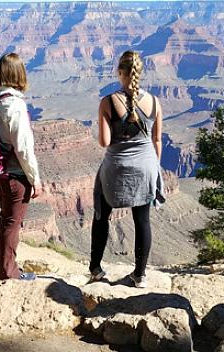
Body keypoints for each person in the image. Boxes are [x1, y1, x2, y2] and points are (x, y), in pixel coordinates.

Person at [89, 51, 163, 288]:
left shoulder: (108, 101)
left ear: (120, 73)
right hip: (147, 166)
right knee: (143, 219)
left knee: (102, 213)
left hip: (117, 168)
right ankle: (140, 276)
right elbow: (157, 139)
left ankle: (96, 269)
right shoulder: (154, 101)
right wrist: (154, 167)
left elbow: (104, 142)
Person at [0, 53, 42, 281]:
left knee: (5, 218)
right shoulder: (15, 104)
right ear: (20, 74)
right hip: (16, 174)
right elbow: (23, 148)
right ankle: (8, 273)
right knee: (13, 222)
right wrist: (35, 178)